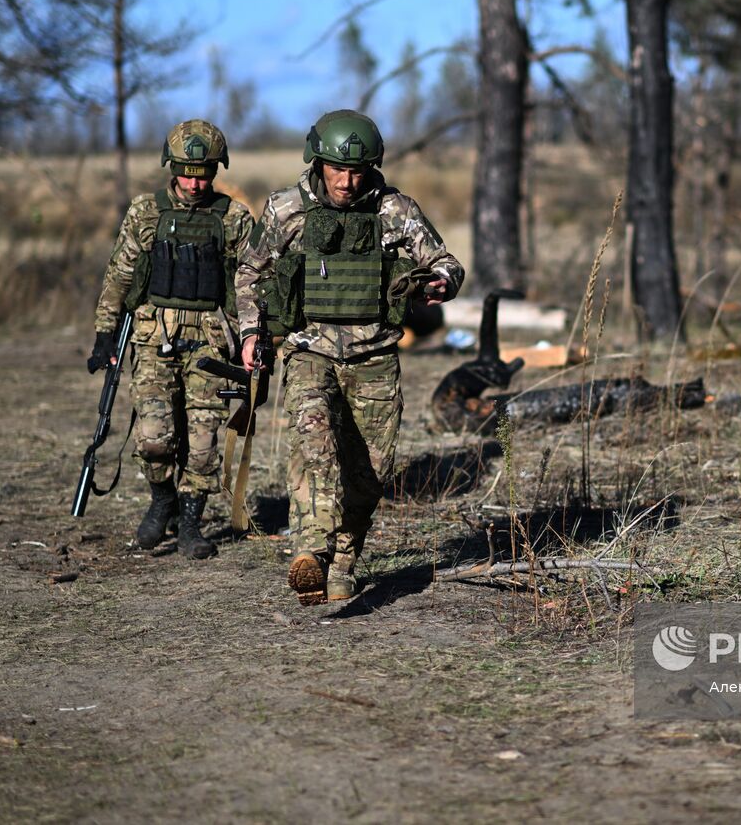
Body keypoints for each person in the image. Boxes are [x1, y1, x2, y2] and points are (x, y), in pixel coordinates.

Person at [234, 109, 463, 604]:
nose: (347, 180)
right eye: (337, 169)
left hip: (376, 356)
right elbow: (250, 274)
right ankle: (310, 551)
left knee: (370, 471)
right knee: (317, 444)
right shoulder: (285, 210)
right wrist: (253, 332)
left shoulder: (394, 210)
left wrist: (442, 282)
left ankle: (342, 562)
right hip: (308, 350)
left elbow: (445, 261)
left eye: (357, 171)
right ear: (317, 162)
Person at [89, 120, 254, 559]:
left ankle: (192, 521)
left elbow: (250, 285)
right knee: (153, 436)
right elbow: (119, 275)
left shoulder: (233, 218)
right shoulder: (146, 212)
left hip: (209, 342)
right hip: (152, 335)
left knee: (202, 442)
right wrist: (105, 332)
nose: (195, 181)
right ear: (171, 166)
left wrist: (255, 337)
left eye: (204, 171)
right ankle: (162, 501)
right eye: (186, 170)